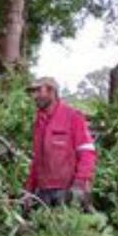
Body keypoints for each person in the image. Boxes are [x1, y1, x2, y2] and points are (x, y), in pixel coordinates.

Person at [23, 77, 97, 212]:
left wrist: (80, 183)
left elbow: (87, 152)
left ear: (52, 92)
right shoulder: (39, 121)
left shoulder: (73, 117)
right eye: (33, 92)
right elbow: (37, 160)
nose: (34, 96)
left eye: (39, 91)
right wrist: (29, 190)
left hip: (67, 191)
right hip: (43, 192)